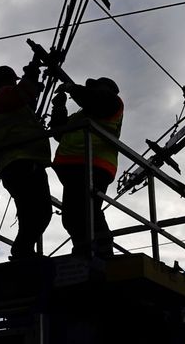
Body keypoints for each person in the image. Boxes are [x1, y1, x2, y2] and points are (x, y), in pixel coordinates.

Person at [0, 61, 52, 260]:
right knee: (40, 212)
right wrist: (32, 75)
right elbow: (22, 93)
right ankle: (22, 251)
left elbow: (21, 102)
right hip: (23, 161)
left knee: (29, 212)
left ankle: (24, 252)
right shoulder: (2, 95)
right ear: (9, 80)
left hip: (15, 163)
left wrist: (31, 87)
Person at [49, 77, 123, 258]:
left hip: (93, 165)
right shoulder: (83, 114)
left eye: (96, 87)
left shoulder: (112, 103)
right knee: (72, 216)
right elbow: (59, 133)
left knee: (88, 211)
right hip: (74, 167)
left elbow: (94, 99)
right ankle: (84, 250)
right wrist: (59, 107)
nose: (93, 90)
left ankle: (104, 253)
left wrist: (72, 88)